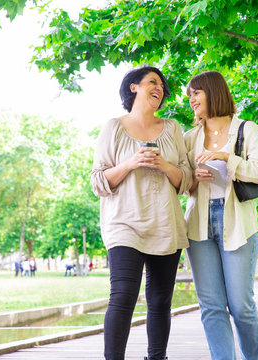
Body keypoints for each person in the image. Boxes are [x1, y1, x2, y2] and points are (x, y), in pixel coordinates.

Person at [90, 66, 192, 360]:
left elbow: (186, 179)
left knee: (160, 301)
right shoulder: (114, 127)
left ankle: (156, 358)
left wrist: (165, 166)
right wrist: (131, 163)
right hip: (124, 224)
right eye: (152, 82)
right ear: (133, 87)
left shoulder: (172, 128)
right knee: (123, 296)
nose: (159, 88)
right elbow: (98, 181)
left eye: (162, 86)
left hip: (165, 224)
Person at [184, 71, 258, 360]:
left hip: (238, 224)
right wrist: (193, 177)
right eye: (190, 94)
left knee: (241, 305)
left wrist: (226, 158)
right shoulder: (190, 137)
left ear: (213, 91)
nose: (191, 99)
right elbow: (184, 182)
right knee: (211, 306)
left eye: (196, 92)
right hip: (199, 224)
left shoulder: (247, 129)